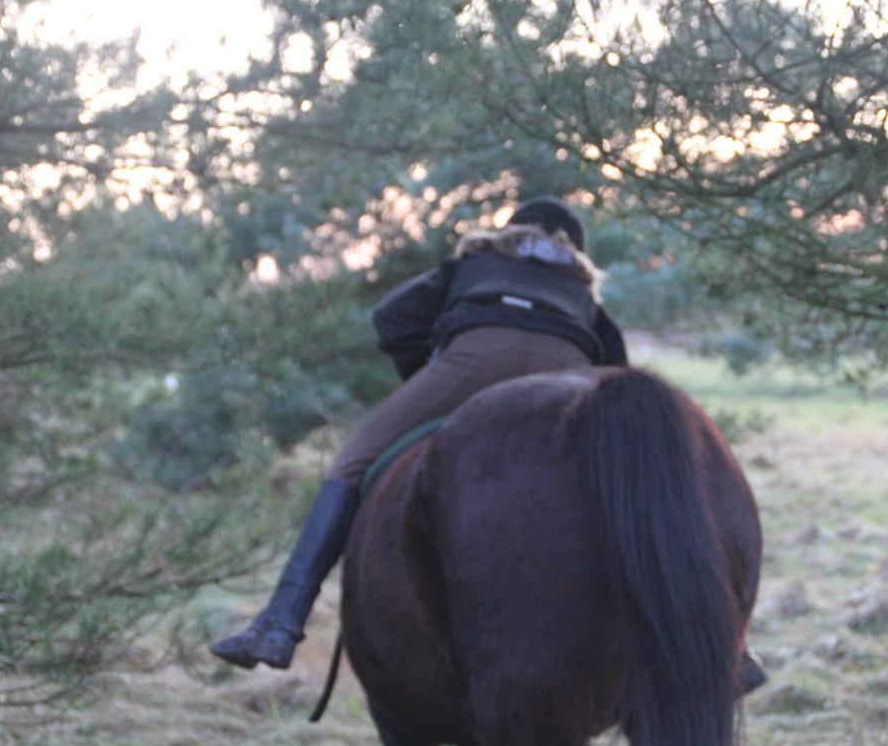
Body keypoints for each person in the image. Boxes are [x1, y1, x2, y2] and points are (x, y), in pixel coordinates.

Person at [209, 196, 628, 670]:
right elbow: (616, 366)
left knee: (353, 461)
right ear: (575, 249)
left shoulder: (474, 264)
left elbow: (393, 318)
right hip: (567, 371)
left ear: (511, 233)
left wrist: (433, 383)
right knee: (624, 482)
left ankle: (279, 625)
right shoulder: (581, 291)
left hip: (475, 357)